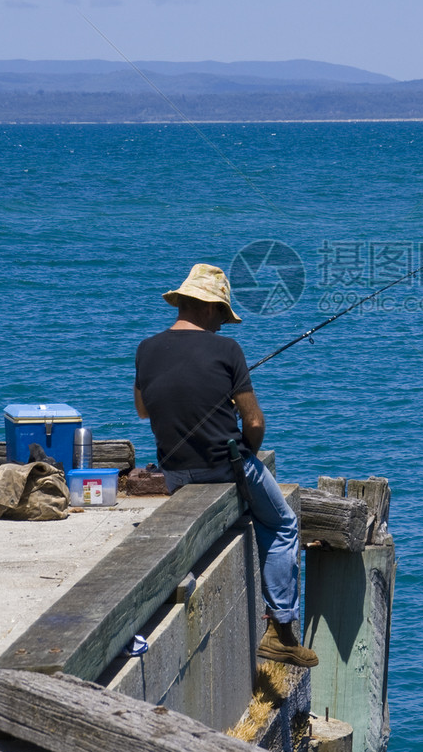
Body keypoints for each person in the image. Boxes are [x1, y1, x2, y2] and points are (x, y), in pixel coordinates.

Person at [134, 263, 317, 669]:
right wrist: (249, 449)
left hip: (174, 472)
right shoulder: (228, 350)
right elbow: (253, 422)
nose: (221, 323)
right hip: (224, 468)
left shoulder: (146, 349)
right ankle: (282, 629)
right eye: (220, 313)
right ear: (206, 307)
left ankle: (281, 630)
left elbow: (144, 410)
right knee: (284, 523)